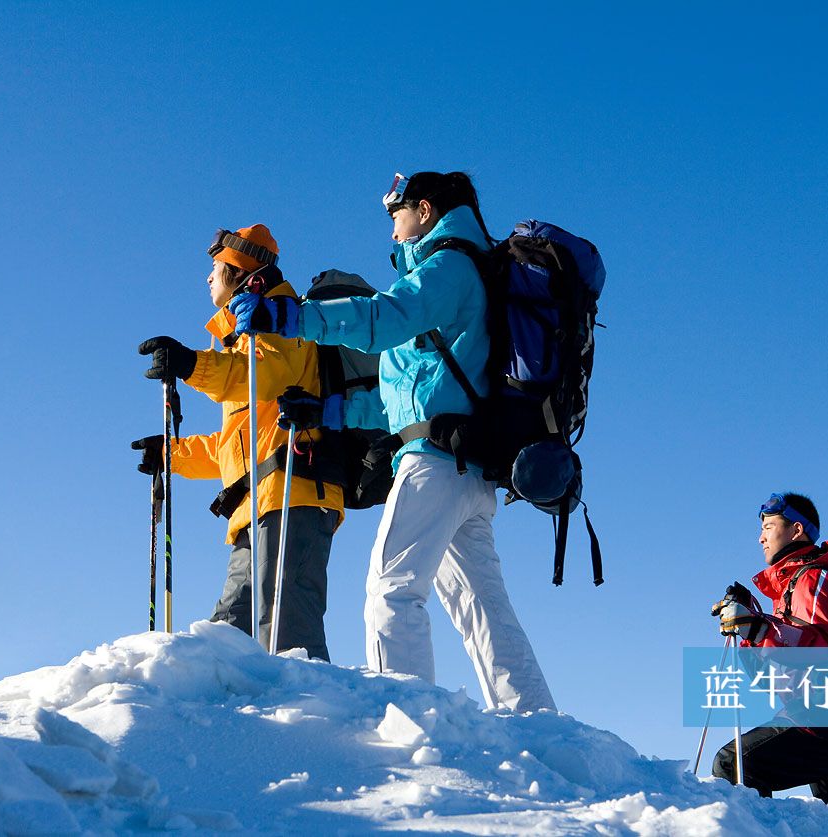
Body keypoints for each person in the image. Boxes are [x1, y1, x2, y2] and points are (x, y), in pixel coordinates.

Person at [229, 172, 555, 713]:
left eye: (396, 213)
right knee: (483, 609)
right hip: (462, 466)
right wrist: (329, 410)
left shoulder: (448, 265)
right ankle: (537, 721)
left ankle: (409, 721)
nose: (393, 228)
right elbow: (407, 399)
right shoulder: (463, 271)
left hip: (436, 464)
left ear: (424, 209)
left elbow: (382, 319)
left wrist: (291, 317)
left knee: (392, 591)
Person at [131, 224, 343, 661]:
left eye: (216, 268)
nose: (208, 278)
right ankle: (241, 724)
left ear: (242, 273)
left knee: (287, 633)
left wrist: (191, 365)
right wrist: (170, 454)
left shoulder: (282, 320)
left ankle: (313, 723)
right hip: (259, 505)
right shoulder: (243, 338)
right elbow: (232, 445)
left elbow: (262, 376)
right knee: (232, 629)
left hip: (293, 496)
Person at [710, 492, 828, 803]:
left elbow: (820, 649)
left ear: (797, 530)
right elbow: (771, 679)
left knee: (733, 765)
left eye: (769, 527)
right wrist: (751, 628)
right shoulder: (792, 589)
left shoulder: (818, 578)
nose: (760, 538)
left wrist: (759, 626)